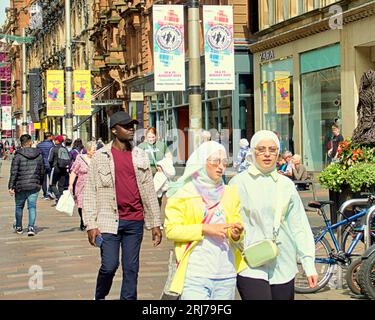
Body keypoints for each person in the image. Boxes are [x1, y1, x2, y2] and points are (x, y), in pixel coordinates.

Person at [82, 111, 162, 300]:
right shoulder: (101, 156)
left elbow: (149, 191)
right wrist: (91, 224)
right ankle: (100, 295)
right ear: (114, 130)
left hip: (134, 221)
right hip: (108, 220)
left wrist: (155, 223)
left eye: (132, 125)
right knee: (109, 265)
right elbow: (90, 192)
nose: (131, 129)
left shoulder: (140, 155)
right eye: (126, 126)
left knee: (131, 268)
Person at [229, 130, 317, 300]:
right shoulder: (238, 183)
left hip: (282, 262)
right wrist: (234, 236)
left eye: (273, 149)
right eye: (261, 149)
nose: (267, 154)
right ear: (253, 152)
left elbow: (299, 226)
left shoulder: (286, 185)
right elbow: (229, 220)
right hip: (249, 261)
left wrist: (308, 264)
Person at [164, 141, 244, 300]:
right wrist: (205, 229)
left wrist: (236, 233)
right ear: (201, 162)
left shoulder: (230, 193)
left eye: (224, 162)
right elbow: (171, 230)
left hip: (226, 273)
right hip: (195, 273)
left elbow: (235, 227)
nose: (220, 167)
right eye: (215, 161)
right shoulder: (183, 193)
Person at [8, 134, 44, 236]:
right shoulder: (38, 155)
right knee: (32, 207)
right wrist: (40, 182)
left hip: (20, 185)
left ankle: (19, 227)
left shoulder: (18, 155)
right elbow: (42, 171)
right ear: (30, 142)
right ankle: (31, 227)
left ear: (21, 143)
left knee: (19, 206)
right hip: (34, 185)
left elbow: (14, 172)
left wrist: (11, 186)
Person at [68, 141, 97, 231]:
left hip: (93, 185)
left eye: (95, 150)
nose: (95, 152)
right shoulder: (80, 158)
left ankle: (91, 221)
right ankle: (83, 220)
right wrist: (70, 185)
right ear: (87, 150)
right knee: (81, 204)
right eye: (93, 150)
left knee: (93, 204)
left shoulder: (97, 159)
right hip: (81, 185)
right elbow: (74, 172)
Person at [49, 135, 70, 203]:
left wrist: (51, 166)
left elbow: (50, 160)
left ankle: (59, 197)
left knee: (52, 184)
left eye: (55, 140)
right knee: (61, 185)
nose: (54, 141)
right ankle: (61, 199)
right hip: (63, 168)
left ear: (58, 141)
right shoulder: (65, 149)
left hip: (55, 168)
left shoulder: (53, 149)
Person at [37, 132, 55, 200]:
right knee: (51, 179)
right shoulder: (52, 145)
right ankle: (50, 191)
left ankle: (45, 194)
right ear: (49, 137)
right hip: (50, 164)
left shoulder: (39, 145)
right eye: (52, 136)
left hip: (42, 164)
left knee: (43, 180)